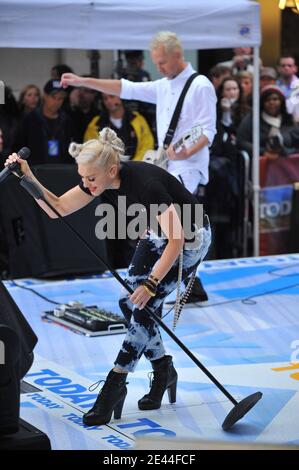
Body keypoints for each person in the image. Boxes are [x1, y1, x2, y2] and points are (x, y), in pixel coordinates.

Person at [5, 127, 211, 425]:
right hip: (158, 233)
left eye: (91, 179)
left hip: (190, 237)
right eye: (82, 178)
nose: (86, 185)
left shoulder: (147, 184)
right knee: (130, 304)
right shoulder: (99, 180)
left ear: (111, 170)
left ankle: (114, 384)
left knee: (143, 306)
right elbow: (58, 209)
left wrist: (152, 284)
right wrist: (26, 177)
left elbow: (177, 239)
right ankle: (164, 368)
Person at [61, 30, 216, 303]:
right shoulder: (163, 85)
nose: (158, 67)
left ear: (178, 55)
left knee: (170, 230)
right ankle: (180, 282)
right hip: (168, 165)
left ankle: (164, 284)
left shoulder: (200, 85)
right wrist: (82, 81)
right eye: (155, 62)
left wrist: (184, 150)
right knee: (163, 229)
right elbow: (125, 87)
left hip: (188, 167)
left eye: (162, 62)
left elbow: (208, 131)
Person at [12, 79, 74, 164]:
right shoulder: (30, 119)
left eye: (60, 98)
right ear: (45, 96)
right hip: (36, 169)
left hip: (62, 168)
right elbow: (18, 146)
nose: (57, 102)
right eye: (54, 97)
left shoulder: (66, 120)